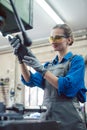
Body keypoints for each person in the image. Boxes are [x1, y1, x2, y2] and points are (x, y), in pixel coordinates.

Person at [10, 24, 87, 130]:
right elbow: (30, 80)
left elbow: (68, 86)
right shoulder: (48, 66)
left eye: (58, 37)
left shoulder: (76, 60)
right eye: (51, 38)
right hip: (48, 118)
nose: (53, 41)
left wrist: (41, 70)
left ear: (69, 40)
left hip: (69, 120)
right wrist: (21, 58)